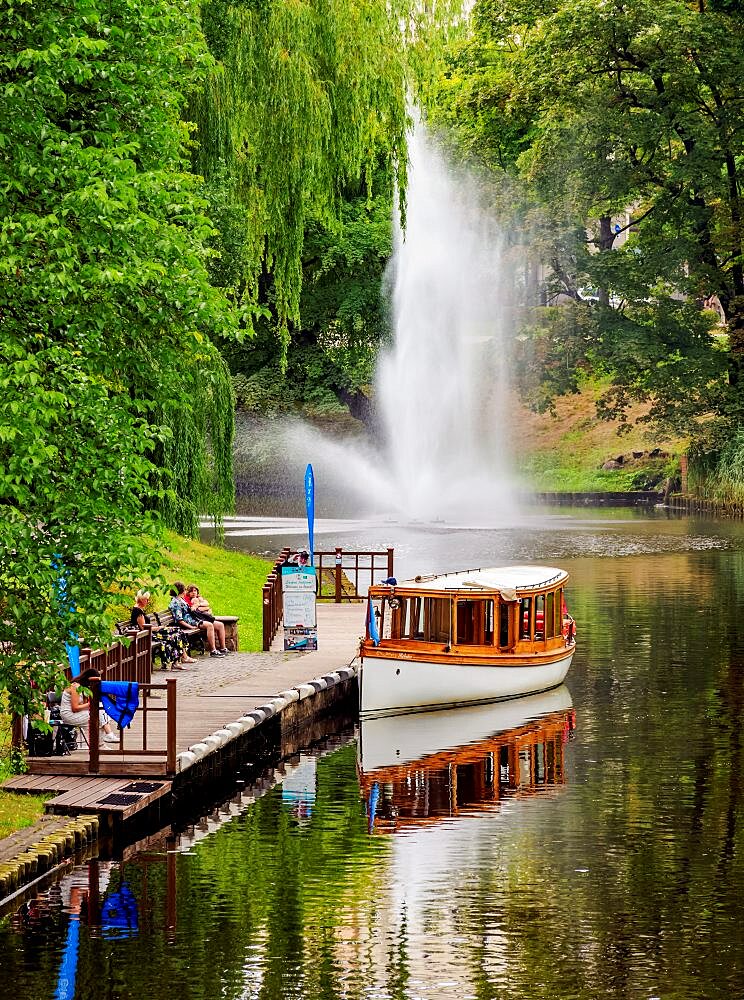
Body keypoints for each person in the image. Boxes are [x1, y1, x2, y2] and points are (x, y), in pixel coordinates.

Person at [130, 589, 194, 669]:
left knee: (177, 632)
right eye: (147, 599)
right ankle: (178, 660)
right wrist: (158, 628)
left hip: (150, 632)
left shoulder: (139, 609)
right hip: (147, 635)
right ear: (142, 599)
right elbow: (144, 628)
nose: (148, 601)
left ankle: (180, 659)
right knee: (174, 636)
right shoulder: (138, 611)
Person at [169, 581, 229, 657]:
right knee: (209, 625)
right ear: (180, 590)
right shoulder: (175, 603)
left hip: (195, 618)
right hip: (190, 621)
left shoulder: (181, 599)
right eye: (184, 589)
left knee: (220, 625)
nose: (185, 591)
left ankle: (223, 648)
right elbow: (179, 620)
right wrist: (190, 627)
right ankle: (213, 650)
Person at [59, 668, 118, 744]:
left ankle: (102, 743)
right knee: (98, 713)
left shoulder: (83, 687)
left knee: (99, 715)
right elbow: (75, 708)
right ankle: (107, 737)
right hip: (69, 715)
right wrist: (91, 704)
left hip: (77, 713)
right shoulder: (75, 687)